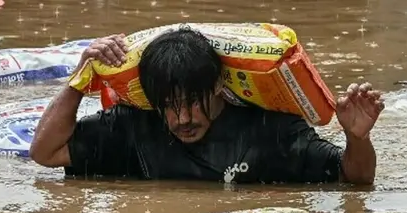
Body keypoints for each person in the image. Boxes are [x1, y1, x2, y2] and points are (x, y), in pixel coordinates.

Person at [29, 29, 384, 185]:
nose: (182, 119)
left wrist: (357, 139)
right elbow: (45, 152)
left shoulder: (270, 131)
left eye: (191, 103)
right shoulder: (132, 127)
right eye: (169, 106)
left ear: (218, 86)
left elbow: (355, 178)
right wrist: (79, 79)